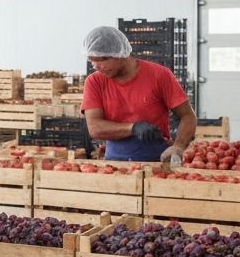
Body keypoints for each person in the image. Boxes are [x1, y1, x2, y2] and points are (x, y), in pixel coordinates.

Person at [82, 25, 196, 163]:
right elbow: (95, 128)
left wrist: (179, 145)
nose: (96, 66)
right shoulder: (94, 82)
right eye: (92, 59)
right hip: (114, 163)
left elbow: (187, 115)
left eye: (103, 59)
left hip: (157, 161)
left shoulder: (159, 75)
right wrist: (133, 128)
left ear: (121, 54)